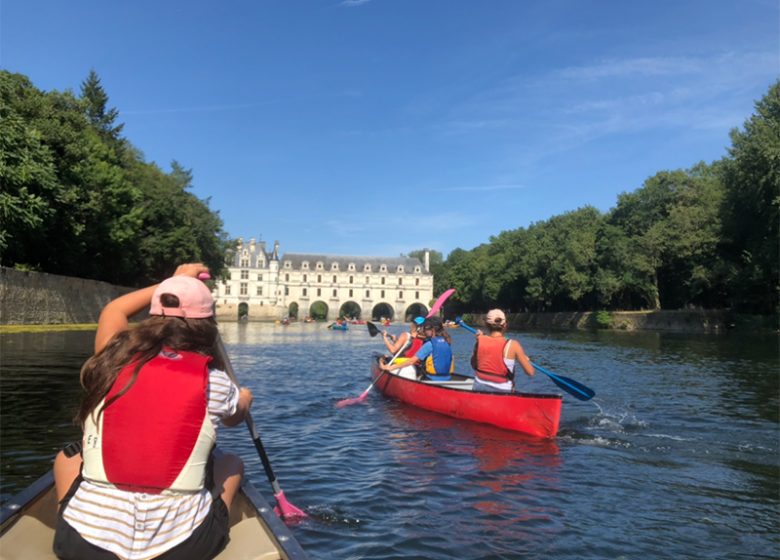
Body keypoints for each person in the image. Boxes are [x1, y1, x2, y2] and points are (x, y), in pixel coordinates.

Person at [52, 263, 254, 560]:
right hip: (181, 549)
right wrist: (245, 397)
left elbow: (114, 312)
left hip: (83, 546)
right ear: (208, 324)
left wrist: (172, 282)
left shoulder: (110, 361)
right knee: (232, 464)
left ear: (154, 315)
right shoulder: (216, 382)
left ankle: (72, 516)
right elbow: (235, 417)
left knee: (68, 457)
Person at [470, 309, 534, 393]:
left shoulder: (480, 340)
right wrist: (524, 359)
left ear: (486, 324)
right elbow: (530, 372)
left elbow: (473, 364)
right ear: (505, 325)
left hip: (479, 388)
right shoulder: (513, 345)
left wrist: (479, 342)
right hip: (502, 391)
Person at [380, 316, 454, 381]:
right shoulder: (446, 341)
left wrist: (392, 367)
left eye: (425, 329)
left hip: (431, 378)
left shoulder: (429, 344)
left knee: (383, 359)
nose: (424, 331)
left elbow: (411, 362)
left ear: (432, 330)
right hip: (447, 378)